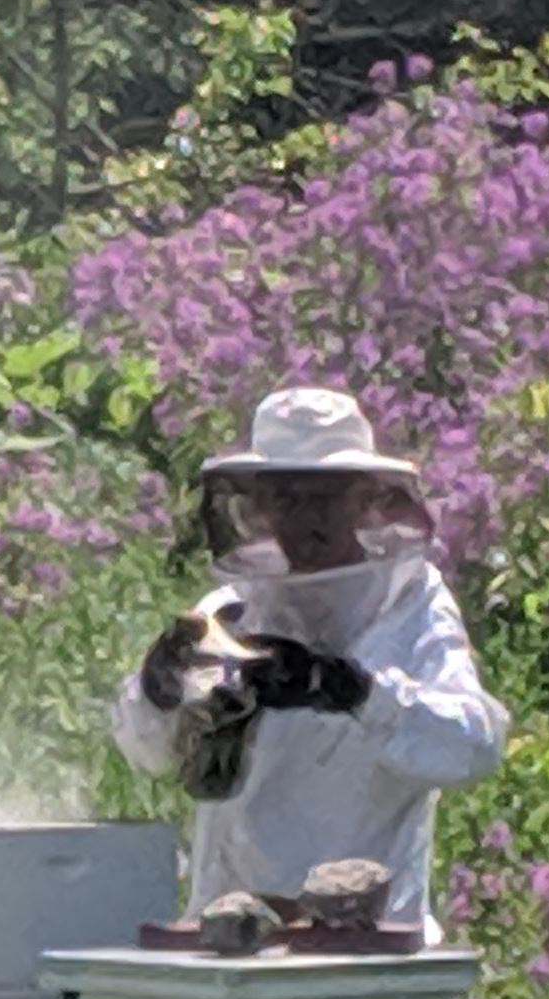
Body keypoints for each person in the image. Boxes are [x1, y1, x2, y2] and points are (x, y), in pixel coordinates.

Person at [114, 388, 509, 943]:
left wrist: (353, 691)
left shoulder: (409, 607)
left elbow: (473, 744)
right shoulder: (231, 611)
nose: (306, 518)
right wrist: (157, 691)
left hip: (364, 945)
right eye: (287, 499)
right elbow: (152, 754)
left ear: (364, 501)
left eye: (325, 497)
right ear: (258, 505)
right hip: (230, 934)